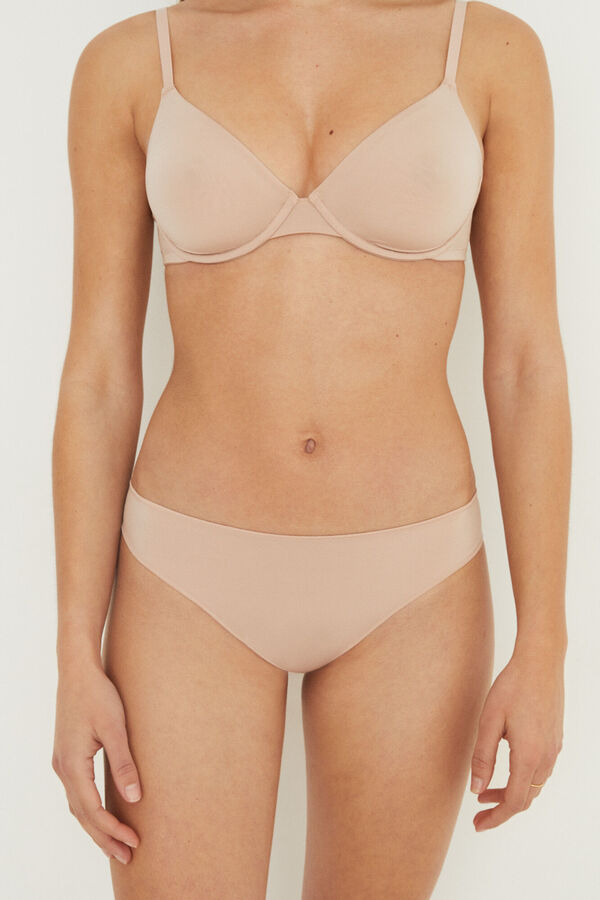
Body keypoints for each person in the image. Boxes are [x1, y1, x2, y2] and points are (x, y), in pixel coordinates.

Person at [51, 1, 570, 897]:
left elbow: (527, 364)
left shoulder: (490, 50)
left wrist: (546, 645)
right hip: (186, 581)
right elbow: (98, 376)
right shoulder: (130, 62)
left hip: (416, 586)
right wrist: (72, 653)